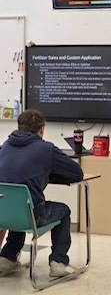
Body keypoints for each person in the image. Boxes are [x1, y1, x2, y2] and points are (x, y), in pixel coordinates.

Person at [0, 108, 84, 277]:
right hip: (31, 215)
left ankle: (7, 257)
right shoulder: (46, 149)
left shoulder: (5, 146)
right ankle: (58, 262)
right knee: (63, 211)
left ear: (19, 127)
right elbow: (77, 173)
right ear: (42, 129)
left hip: (3, 214)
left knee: (21, 205)